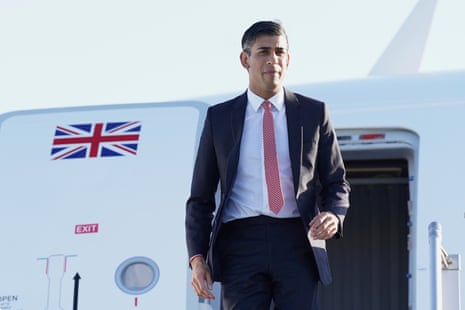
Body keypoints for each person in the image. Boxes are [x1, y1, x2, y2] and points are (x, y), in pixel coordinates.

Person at [185, 20, 350, 309]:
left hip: (298, 241)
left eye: (279, 52)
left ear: (288, 59)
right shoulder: (219, 119)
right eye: (263, 51)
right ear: (245, 59)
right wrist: (197, 258)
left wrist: (334, 216)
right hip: (240, 244)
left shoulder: (314, 113)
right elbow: (200, 198)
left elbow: (337, 181)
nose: (272, 59)